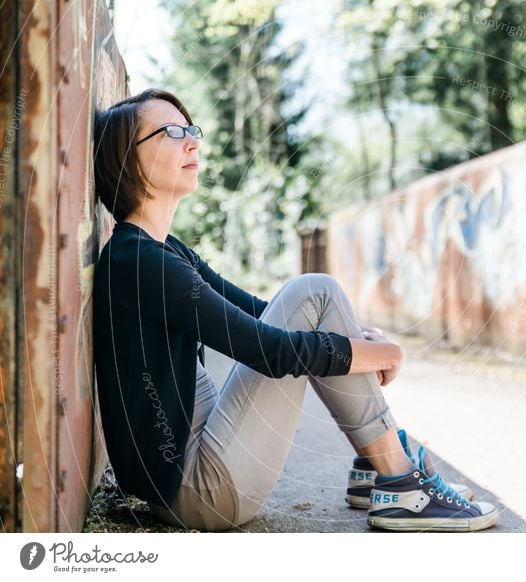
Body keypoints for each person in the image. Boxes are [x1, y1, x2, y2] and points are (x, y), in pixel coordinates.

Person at [92, 88, 498, 532]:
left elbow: (260, 313)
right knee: (316, 291)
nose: (192, 141)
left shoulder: (164, 251)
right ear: (126, 158)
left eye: (191, 129)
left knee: (315, 298)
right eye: (171, 132)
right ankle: (400, 480)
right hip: (200, 492)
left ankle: (376, 466)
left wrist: (357, 340)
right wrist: (385, 355)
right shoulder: (138, 261)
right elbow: (268, 350)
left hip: (201, 463)